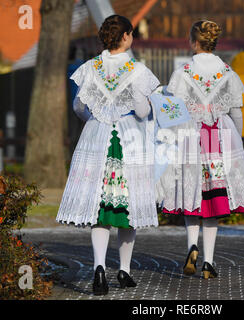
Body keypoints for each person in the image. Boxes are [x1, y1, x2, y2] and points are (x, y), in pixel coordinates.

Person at [56, 15, 160, 295]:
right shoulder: (137, 70)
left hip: (97, 136)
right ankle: (124, 270)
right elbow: (141, 111)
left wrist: (95, 117)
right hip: (128, 139)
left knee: (101, 210)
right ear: (126, 36)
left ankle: (99, 268)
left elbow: (79, 106)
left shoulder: (90, 67)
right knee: (128, 208)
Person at [156, 20, 244, 279]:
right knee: (213, 200)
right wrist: (238, 140)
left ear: (193, 41)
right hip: (219, 139)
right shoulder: (228, 73)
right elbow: (236, 112)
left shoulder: (183, 73)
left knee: (191, 194)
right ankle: (209, 263)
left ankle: (192, 246)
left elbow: (173, 111)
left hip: (191, 138)